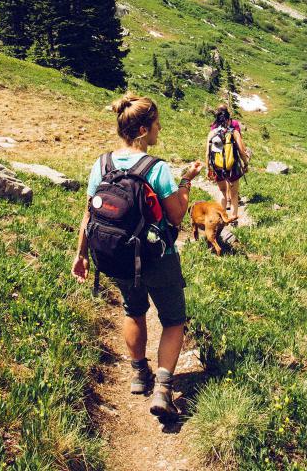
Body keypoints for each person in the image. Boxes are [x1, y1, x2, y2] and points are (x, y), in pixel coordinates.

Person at [71, 93, 202, 419]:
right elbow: (175, 216)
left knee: (133, 310)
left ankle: (139, 373)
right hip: (158, 256)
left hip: (116, 256)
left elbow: (89, 213)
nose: (159, 129)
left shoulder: (101, 164)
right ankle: (162, 388)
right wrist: (186, 181)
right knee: (173, 320)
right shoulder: (156, 169)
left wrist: (81, 255)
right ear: (143, 129)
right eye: (156, 124)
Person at [206, 106, 250, 219]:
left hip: (217, 167)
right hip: (233, 166)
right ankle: (234, 217)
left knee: (222, 191)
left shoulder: (212, 133)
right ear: (228, 119)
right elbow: (241, 150)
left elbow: (207, 153)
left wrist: (208, 169)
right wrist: (245, 163)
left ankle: (222, 217)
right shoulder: (234, 132)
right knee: (234, 194)